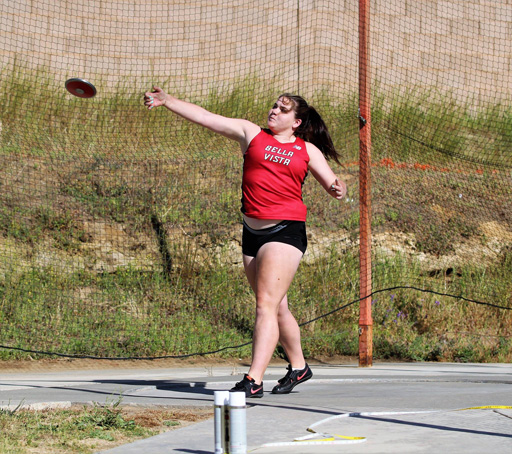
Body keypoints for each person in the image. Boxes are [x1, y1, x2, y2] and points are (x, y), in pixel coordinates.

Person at [144, 87, 347, 398]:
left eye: (283, 109)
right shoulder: (251, 133)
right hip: (252, 231)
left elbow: (333, 183)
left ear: (296, 122)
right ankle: (300, 366)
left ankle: (253, 380)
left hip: (285, 230)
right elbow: (206, 118)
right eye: (275, 106)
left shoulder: (307, 150)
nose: (274, 111)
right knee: (277, 306)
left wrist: (338, 188)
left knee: (264, 304)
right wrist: (167, 101)